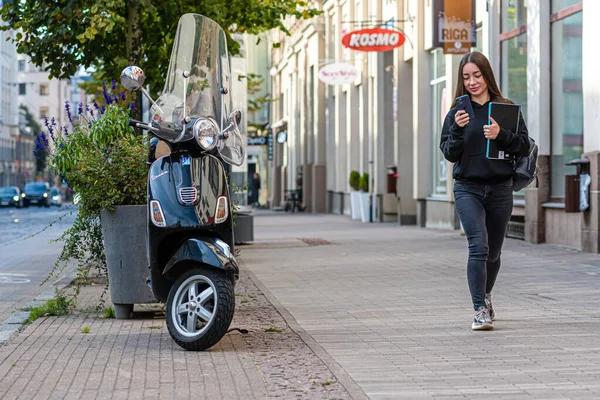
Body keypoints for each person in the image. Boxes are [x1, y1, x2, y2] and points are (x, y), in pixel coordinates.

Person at [439, 51, 530, 331]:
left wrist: (500, 134)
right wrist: (456, 129)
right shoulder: (458, 113)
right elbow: (449, 153)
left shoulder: (506, 108)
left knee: (494, 253)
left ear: (487, 75)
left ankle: (486, 295)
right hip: (468, 188)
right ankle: (479, 309)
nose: (472, 82)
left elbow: (524, 146)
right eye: (466, 77)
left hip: (501, 189)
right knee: (478, 246)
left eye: (477, 75)